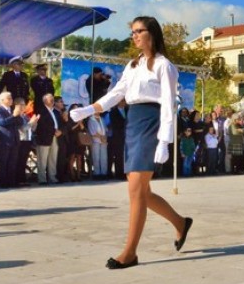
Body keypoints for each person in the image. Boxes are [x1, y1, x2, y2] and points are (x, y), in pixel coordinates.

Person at [70, 16, 192, 269]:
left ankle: (130, 252)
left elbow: (169, 103)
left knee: (136, 189)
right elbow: (116, 93)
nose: (134, 35)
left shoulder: (164, 65)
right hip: (134, 120)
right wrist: (88, 110)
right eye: (132, 32)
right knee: (142, 191)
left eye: (139, 31)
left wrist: (164, 141)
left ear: (152, 33)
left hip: (152, 121)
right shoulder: (133, 64)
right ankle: (180, 223)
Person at [0, 91, 24, 188]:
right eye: (9, 98)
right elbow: (2, 122)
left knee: (13, 161)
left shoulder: (11, 110)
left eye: (11, 98)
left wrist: (16, 115)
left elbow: (20, 122)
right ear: (2, 100)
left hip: (14, 139)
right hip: (4, 140)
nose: (11, 100)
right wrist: (13, 116)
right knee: (4, 161)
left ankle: (12, 181)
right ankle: (3, 182)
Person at [36, 93, 63, 185]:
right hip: (44, 138)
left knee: (53, 158)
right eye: (50, 99)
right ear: (45, 101)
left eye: (52, 99)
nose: (52, 101)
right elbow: (43, 125)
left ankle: (52, 177)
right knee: (42, 160)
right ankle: (42, 179)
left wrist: (60, 131)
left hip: (55, 137)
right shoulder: (41, 111)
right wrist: (53, 131)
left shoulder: (55, 112)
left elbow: (60, 123)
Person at [14, 97, 39, 187]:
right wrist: (31, 123)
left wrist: (35, 122)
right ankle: (18, 180)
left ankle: (22, 179)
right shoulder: (16, 116)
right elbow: (22, 129)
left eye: (24, 104)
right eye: (22, 104)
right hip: (21, 140)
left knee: (24, 161)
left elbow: (32, 129)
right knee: (19, 160)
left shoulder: (25, 116)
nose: (24, 106)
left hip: (28, 140)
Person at [108, 100, 128, 180]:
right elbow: (115, 124)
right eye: (123, 101)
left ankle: (126, 171)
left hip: (127, 136)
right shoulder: (113, 112)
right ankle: (119, 173)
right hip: (118, 136)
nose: (124, 102)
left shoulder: (127, 110)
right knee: (119, 155)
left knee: (126, 155)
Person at [87, 111, 109, 180]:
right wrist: (101, 137)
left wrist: (105, 138)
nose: (98, 112)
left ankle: (104, 173)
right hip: (95, 140)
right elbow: (92, 132)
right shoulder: (91, 120)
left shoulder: (102, 119)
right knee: (96, 157)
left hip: (103, 141)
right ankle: (97, 174)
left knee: (104, 157)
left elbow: (105, 130)